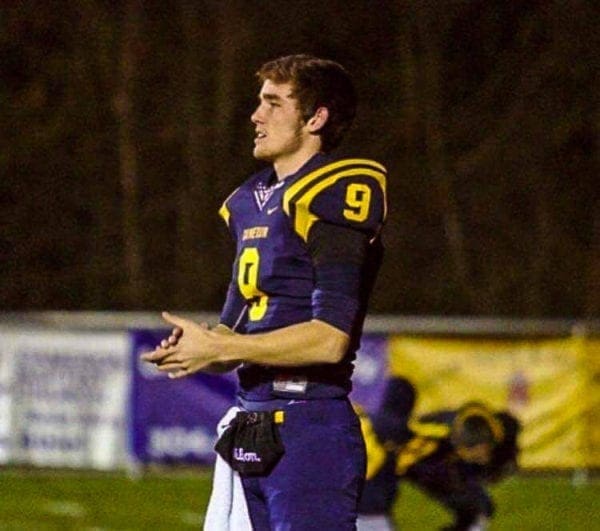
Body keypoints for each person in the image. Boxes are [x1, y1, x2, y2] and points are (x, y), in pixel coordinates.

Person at [142, 54, 388, 530]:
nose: (257, 115)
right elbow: (233, 335)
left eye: (274, 103)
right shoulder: (249, 202)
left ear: (315, 118)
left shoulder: (337, 189)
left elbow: (330, 338)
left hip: (309, 424)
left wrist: (225, 345)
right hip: (252, 422)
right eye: (259, 102)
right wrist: (201, 349)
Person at [356, 377, 521, 531]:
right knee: (478, 511)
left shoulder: (373, 422)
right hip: (414, 468)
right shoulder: (433, 431)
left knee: (477, 511)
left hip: (369, 486)